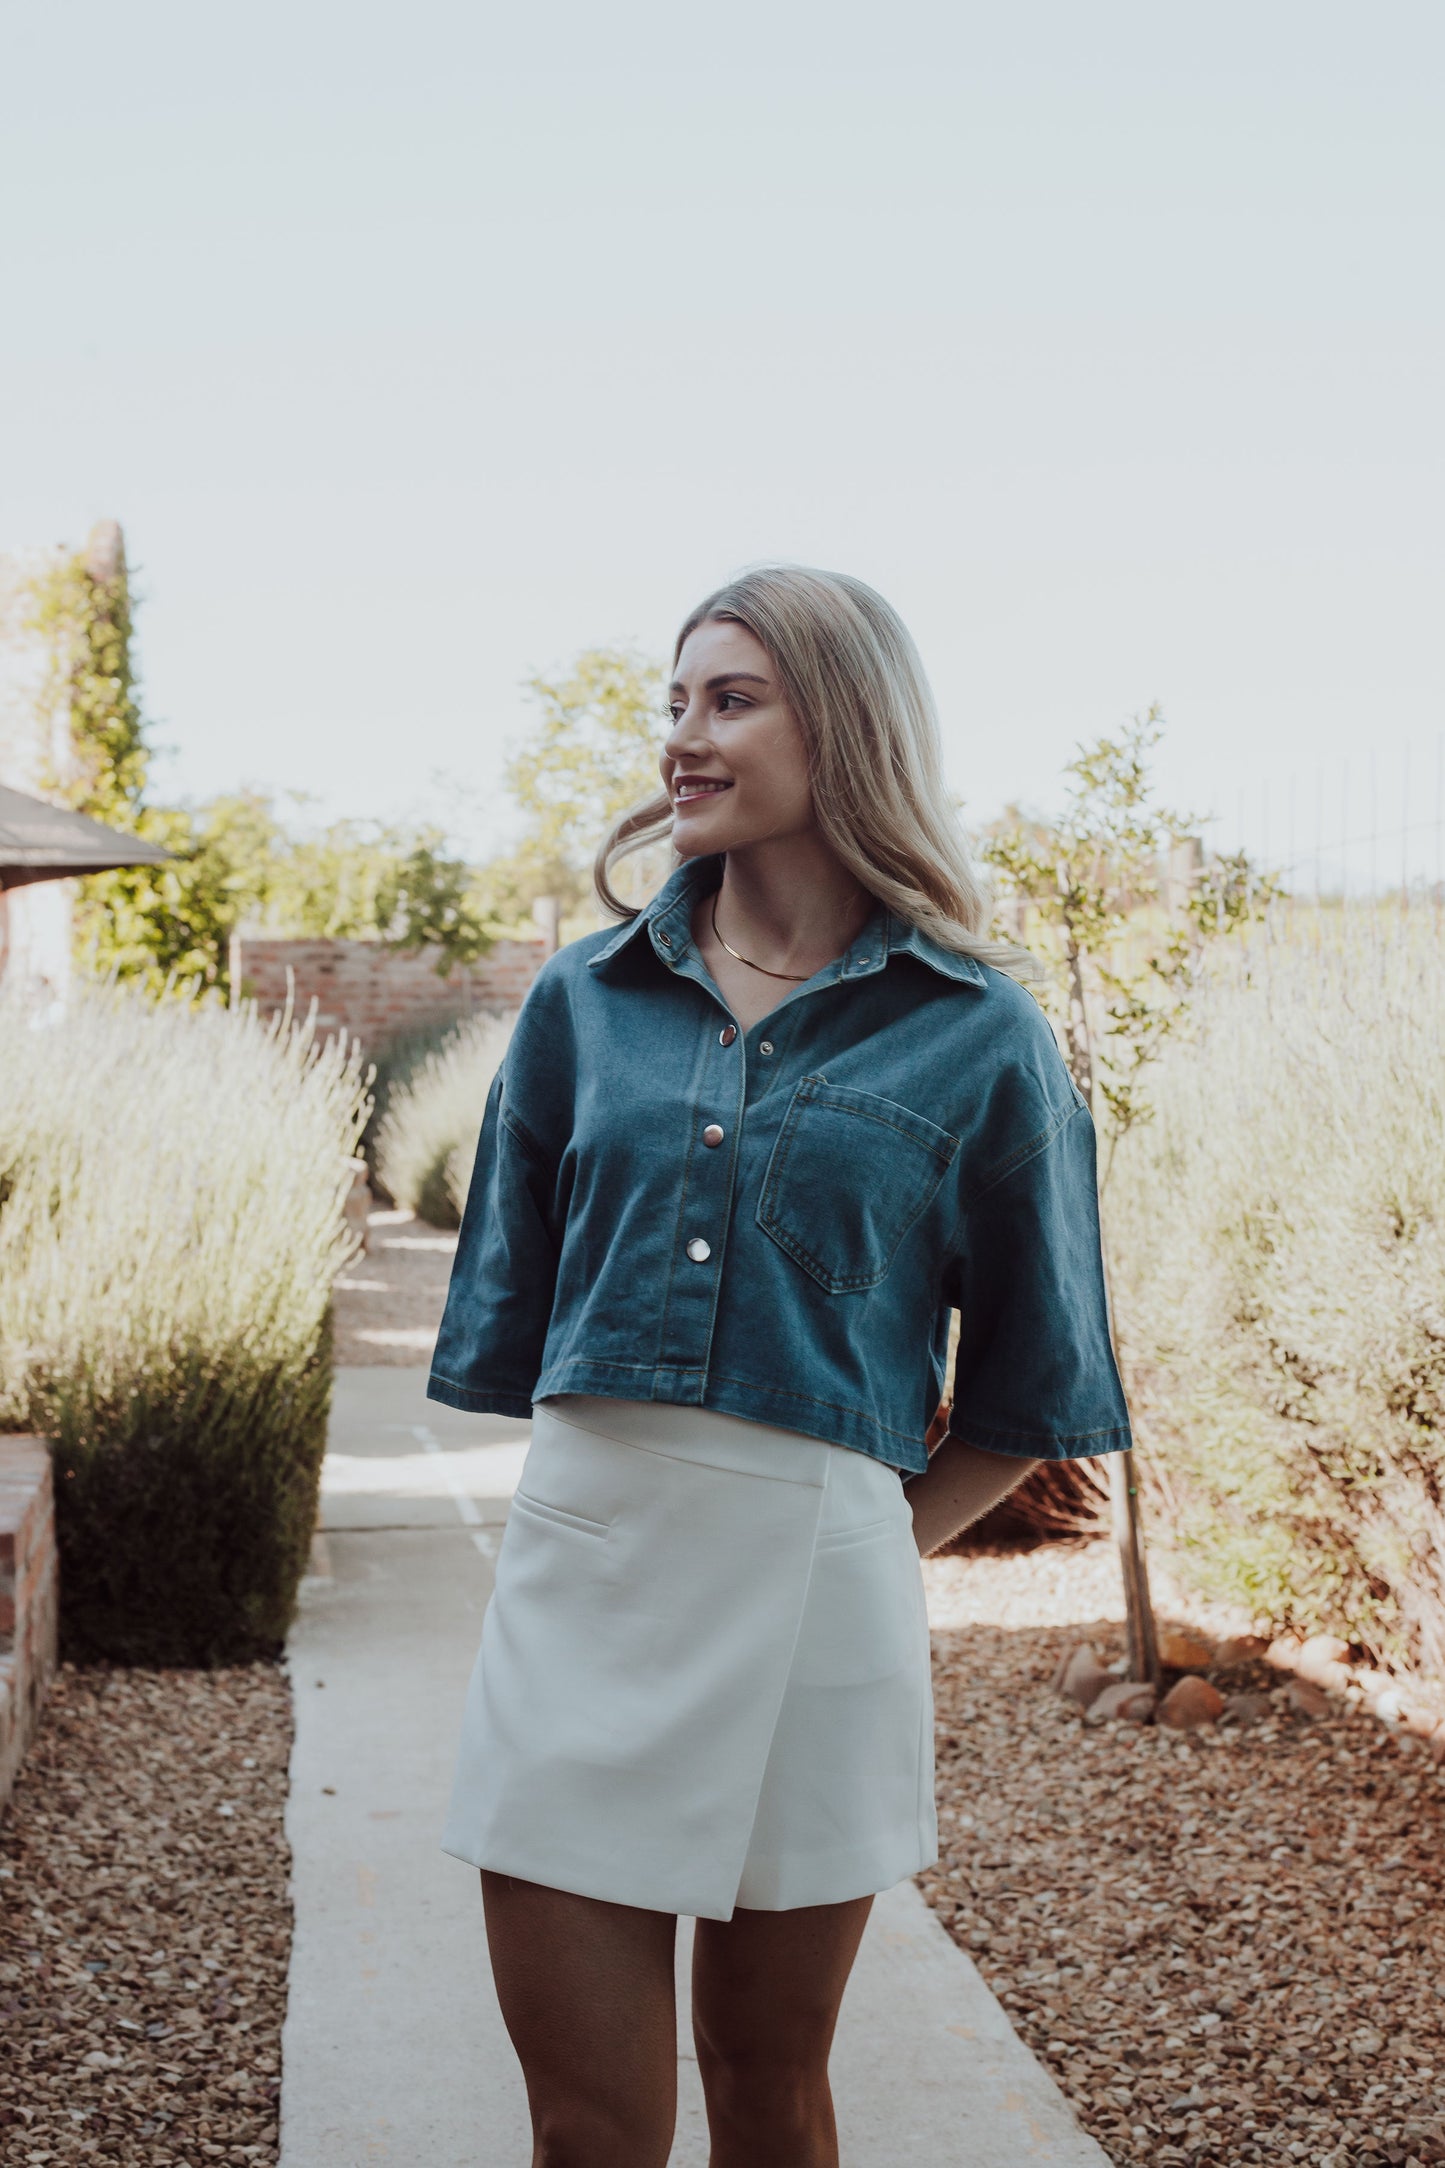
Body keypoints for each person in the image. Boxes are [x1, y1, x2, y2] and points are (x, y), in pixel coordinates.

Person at [427, 565, 1131, 2168]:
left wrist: (858, 1538)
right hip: (586, 1584)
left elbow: (1039, 1391)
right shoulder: (578, 1007)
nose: (681, 736)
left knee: (768, 2097)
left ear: (850, 726)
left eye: (730, 699)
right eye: (674, 700)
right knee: (589, 2128)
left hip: (825, 1603)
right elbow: (512, 1328)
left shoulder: (980, 1037)